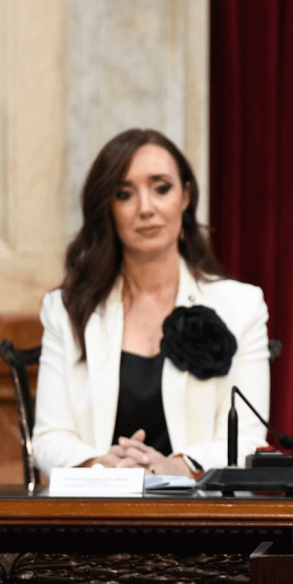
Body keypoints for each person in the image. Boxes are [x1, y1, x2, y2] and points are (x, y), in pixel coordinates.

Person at [34, 129, 271, 477]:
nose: (146, 208)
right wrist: (103, 464)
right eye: (124, 194)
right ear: (107, 207)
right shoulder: (66, 309)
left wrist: (175, 466)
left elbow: (249, 440)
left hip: (201, 506)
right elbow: (48, 438)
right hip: (97, 503)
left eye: (161, 188)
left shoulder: (242, 305)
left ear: (186, 196)